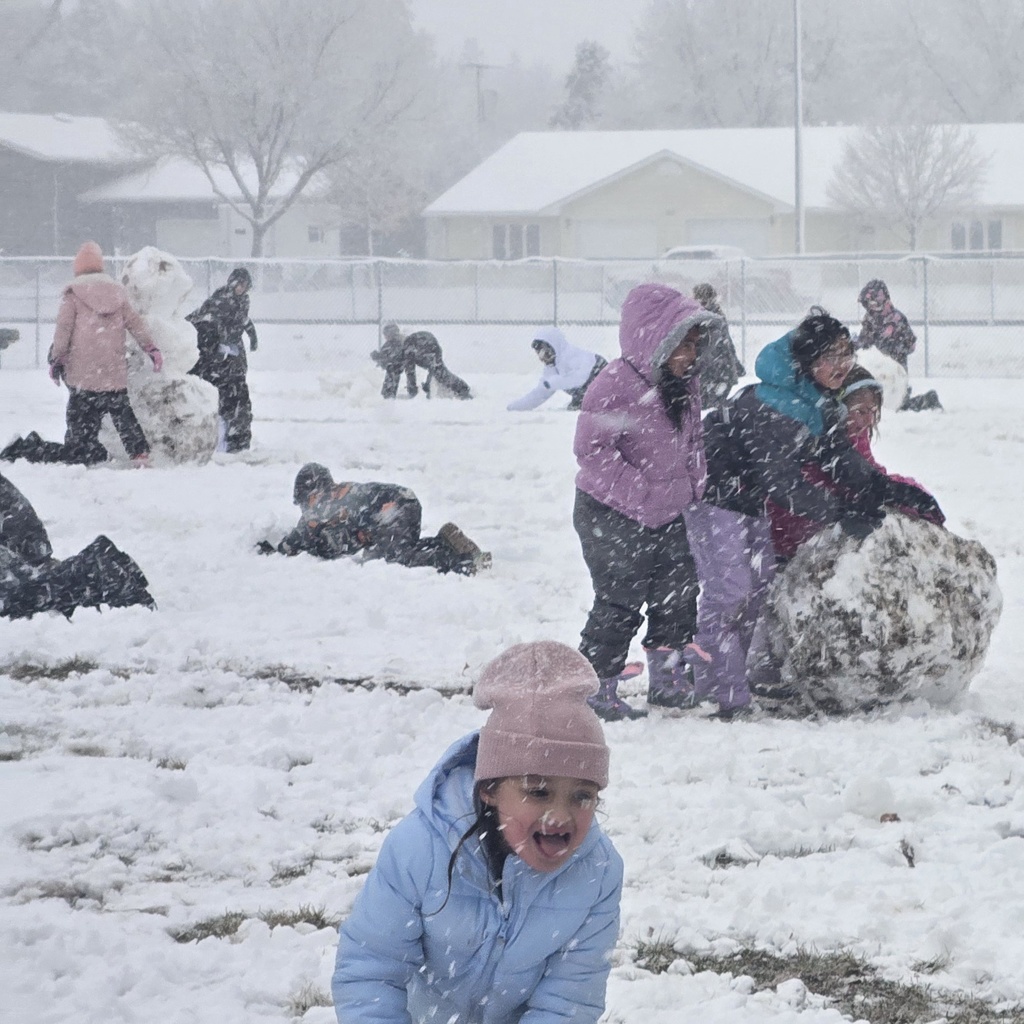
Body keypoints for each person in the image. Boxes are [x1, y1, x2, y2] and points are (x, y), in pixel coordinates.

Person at [332, 639, 623, 1024]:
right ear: (489, 790)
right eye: (538, 791)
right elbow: (371, 969)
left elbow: (568, 1001)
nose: (560, 815)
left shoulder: (597, 872)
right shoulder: (419, 848)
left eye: (582, 796)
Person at [689, 313, 945, 717]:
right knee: (732, 592)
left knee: (757, 587)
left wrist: (890, 491)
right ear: (808, 362)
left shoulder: (817, 401)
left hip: (748, 499)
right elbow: (783, 483)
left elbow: (839, 460)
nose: (842, 364)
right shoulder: (771, 402)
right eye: (831, 357)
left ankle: (718, 677)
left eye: (847, 353)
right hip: (714, 496)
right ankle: (722, 688)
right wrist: (841, 511)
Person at [573, 283, 723, 721]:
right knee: (619, 599)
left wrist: (694, 485)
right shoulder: (615, 385)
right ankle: (596, 687)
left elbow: (692, 441)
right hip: (612, 512)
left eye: (696, 344)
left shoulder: (683, 385)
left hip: (672, 510)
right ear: (654, 339)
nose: (691, 354)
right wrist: (642, 494)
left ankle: (669, 679)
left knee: (677, 595)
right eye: (683, 344)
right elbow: (592, 451)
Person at [0, 242, 162, 467]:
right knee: (124, 415)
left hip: (83, 376)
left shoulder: (73, 295)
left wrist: (57, 360)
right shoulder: (117, 294)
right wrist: (151, 348)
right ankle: (140, 454)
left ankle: (77, 451)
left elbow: (63, 331)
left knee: (80, 422)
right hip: (113, 373)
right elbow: (135, 324)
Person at [768, 364, 945, 560]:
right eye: (860, 411)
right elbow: (846, 484)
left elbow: (869, 473)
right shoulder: (821, 439)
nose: (869, 420)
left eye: (873, 411)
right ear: (839, 409)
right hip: (792, 530)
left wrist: (910, 491)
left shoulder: (856, 435)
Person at [258, 462, 491, 575]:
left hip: (395, 508)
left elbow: (303, 534)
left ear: (317, 493)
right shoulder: (337, 497)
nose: (304, 509)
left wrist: (281, 548)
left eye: (305, 501)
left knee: (395, 559)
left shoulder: (329, 503)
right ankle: (445, 542)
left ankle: (464, 562)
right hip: (400, 504)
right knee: (386, 553)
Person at [0, 471, 155, 619]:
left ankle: (91, 572)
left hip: (18, 543)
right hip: (24, 541)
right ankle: (90, 568)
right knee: (28, 587)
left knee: (18, 598)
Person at [186, 267, 258, 452]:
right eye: (239, 284)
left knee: (237, 396)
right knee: (226, 399)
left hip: (232, 356)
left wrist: (252, 336)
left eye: (245, 285)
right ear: (233, 283)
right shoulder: (220, 301)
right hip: (217, 358)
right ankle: (226, 441)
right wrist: (217, 348)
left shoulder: (242, 301)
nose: (242, 288)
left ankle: (236, 441)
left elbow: (243, 321)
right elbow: (204, 319)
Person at [855, 279, 941, 412]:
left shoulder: (896, 319)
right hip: (876, 370)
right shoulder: (870, 319)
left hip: (895, 370)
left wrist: (894, 347)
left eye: (874, 303)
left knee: (897, 405)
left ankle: (927, 399)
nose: (872, 307)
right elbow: (864, 341)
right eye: (869, 304)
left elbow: (910, 344)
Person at [507, 326, 607, 411]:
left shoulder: (572, 356)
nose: (541, 358)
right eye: (539, 354)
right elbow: (540, 393)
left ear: (552, 347)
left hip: (605, 385)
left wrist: (555, 382)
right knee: (575, 408)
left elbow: (580, 378)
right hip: (585, 395)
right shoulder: (552, 367)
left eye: (543, 352)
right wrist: (514, 408)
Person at [371, 323, 472, 400]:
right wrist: (380, 357)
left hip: (428, 348)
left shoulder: (406, 345)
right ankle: (461, 389)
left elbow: (410, 369)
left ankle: (462, 390)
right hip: (428, 346)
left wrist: (412, 390)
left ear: (391, 335)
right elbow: (393, 359)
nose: (385, 338)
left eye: (387, 335)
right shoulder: (399, 343)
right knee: (437, 371)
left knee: (438, 371)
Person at [692, 283, 745, 407]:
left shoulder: (700, 316)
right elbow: (727, 342)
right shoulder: (716, 314)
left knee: (707, 404)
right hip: (719, 367)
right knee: (713, 404)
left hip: (712, 368)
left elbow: (725, 341)